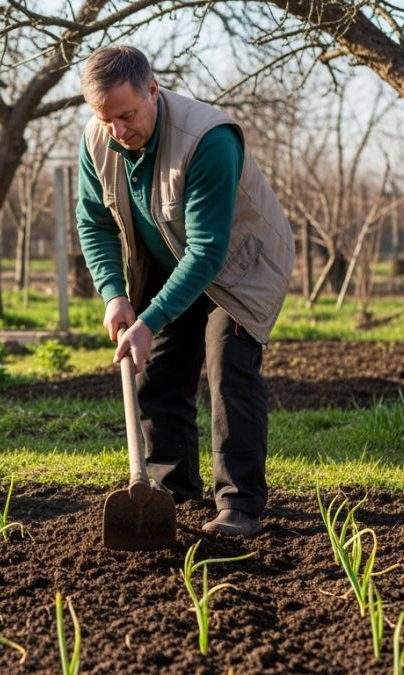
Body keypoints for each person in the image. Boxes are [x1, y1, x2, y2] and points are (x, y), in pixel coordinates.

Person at [75, 45, 295, 537]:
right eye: (105, 118)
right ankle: (168, 487)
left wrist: (148, 320)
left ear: (153, 90)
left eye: (127, 115)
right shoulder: (98, 138)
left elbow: (208, 251)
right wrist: (115, 295)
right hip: (170, 260)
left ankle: (239, 505)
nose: (118, 131)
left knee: (229, 368)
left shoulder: (208, 140)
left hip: (239, 264)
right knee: (160, 373)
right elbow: (93, 224)